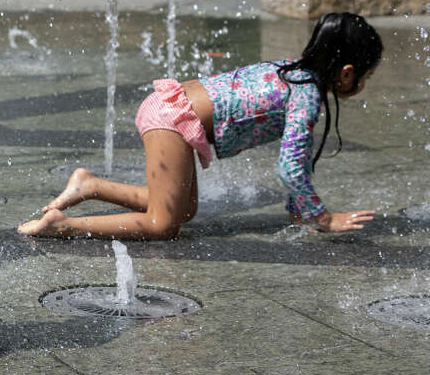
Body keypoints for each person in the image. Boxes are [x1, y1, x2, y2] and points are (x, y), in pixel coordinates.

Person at [19, 12, 384, 240]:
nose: (363, 84)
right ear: (347, 72)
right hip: (172, 119)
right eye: (366, 76)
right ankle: (62, 225)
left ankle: (90, 185)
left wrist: (297, 211)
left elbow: (298, 157)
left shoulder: (295, 71)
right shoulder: (306, 96)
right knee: (163, 226)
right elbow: (289, 167)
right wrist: (323, 217)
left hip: (173, 110)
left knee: (185, 209)